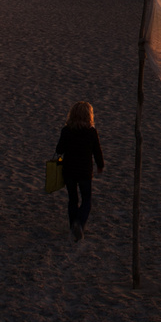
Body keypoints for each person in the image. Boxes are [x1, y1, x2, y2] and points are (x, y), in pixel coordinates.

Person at [55, 102, 105, 241]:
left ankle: (73, 226)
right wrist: (100, 165)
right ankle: (80, 224)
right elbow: (97, 151)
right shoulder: (91, 132)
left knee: (72, 199)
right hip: (84, 171)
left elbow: (59, 149)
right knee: (86, 199)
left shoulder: (67, 130)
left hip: (69, 171)